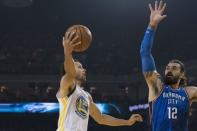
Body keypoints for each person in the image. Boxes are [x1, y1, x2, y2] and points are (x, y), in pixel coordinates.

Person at [56, 31, 143, 131]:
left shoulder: (87, 96)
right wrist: (68, 53)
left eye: (83, 67)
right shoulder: (66, 85)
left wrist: (127, 122)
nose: (84, 69)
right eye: (79, 67)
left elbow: (101, 118)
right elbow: (70, 72)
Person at [140, 1, 197, 131]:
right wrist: (152, 25)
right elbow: (144, 52)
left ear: (182, 74)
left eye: (174, 68)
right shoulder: (157, 87)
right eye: (167, 68)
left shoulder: (189, 92)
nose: (169, 70)